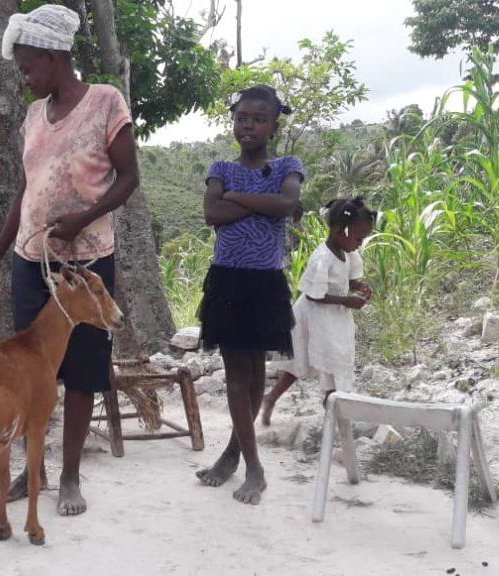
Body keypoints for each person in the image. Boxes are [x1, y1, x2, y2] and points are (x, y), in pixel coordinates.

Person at [0, 4, 139, 516]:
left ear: (53, 57)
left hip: (86, 266)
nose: (23, 79)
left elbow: (129, 179)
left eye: (27, 68)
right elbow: (25, 194)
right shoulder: (32, 117)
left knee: (84, 369)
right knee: (32, 371)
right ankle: (35, 466)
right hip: (33, 263)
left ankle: (69, 475)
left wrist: (83, 216)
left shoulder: (105, 103)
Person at [194, 85, 302, 505]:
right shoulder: (220, 167)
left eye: (259, 118)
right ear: (233, 120)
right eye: (242, 118)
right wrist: (265, 202)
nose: (249, 125)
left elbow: (287, 203)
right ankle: (254, 468)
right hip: (228, 281)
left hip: (265, 282)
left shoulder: (287, 165)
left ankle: (233, 455)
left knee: (256, 374)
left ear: (274, 124)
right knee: (239, 377)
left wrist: (237, 199)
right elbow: (211, 214)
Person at [262, 197, 376, 426]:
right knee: (304, 363)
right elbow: (315, 294)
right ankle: (277, 400)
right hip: (313, 315)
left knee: (334, 362)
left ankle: (333, 411)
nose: (360, 243)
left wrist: (359, 287)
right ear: (338, 231)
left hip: (333, 318)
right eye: (358, 238)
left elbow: (347, 279)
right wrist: (346, 300)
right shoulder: (322, 259)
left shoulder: (348, 252)